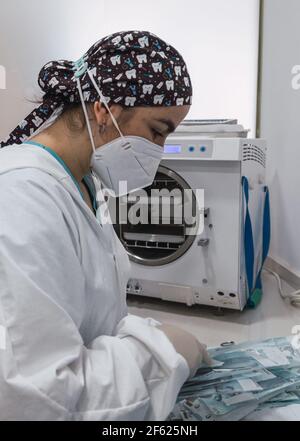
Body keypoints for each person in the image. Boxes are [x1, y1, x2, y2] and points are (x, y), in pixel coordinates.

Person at [0, 30, 210, 421]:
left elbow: (89, 316)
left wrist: (146, 333)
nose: (160, 150)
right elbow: (38, 397)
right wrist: (160, 355)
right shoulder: (20, 197)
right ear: (102, 109)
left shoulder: (84, 184)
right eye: (157, 130)